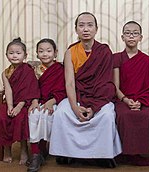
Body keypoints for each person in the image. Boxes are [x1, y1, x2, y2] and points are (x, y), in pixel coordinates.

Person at [49, 12, 122, 168]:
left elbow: (106, 83)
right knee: (62, 113)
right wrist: (75, 107)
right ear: (76, 29)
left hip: (99, 97)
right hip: (78, 95)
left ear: (96, 29)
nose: (86, 29)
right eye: (81, 25)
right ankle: (65, 153)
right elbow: (69, 83)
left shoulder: (104, 51)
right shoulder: (71, 52)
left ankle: (103, 155)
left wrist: (94, 107)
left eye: (90, 25)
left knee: (107, 115)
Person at [113, 21, 149, 166]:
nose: (131, 36)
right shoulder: (116, 58)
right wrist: (126, 100)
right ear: (122, 37)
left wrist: (139, 102)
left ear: (141, 37)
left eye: (135, 33)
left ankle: (137, 154)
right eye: (127, 33)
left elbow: (148, 86)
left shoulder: (147, 61)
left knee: (145, 115)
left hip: (141, 99)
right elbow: (115, 86)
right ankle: (123, 153)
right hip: (121, 99)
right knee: (124, 115)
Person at [0, 38, 40, 165]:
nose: (14, 56)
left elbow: (29, 91)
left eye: (18, 53)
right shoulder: (6, 73)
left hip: (24, 102)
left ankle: (24, 149)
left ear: (25, 55)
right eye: (11, 53)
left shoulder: (28, 70)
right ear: (6, 55)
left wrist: (19, 106)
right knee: (3, 117)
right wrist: (9, 106)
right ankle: (7, 149)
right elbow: (8, 90)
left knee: (20, 118)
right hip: (11, 101)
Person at [27, 38, 66, 172]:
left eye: (49, 51)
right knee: (33, 114)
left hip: (53, 101)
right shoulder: (34, 70)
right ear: (37, 54)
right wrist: (34, 100)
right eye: (41, 51)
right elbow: (31, 88)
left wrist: (52, 101)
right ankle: (35, 153)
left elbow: (63, 89)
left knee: (46, 115)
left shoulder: (60, 69)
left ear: (55, 53)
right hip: (37, 101)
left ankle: (42, 149)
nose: (45, 54)